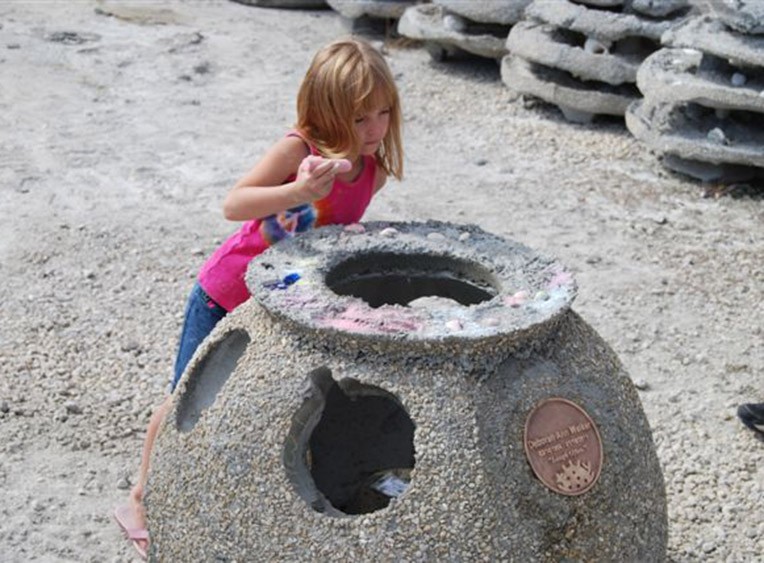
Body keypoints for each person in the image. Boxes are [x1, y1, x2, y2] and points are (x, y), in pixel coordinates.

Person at [114, 36, 404, 559]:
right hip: (226, 292)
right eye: (361, 119)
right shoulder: (300, 151)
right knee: (187, 395)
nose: (376, 129)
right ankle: (139, 496)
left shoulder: (373, 170)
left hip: (285, 308)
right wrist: (297, 192)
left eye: (384, 113)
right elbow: (235, 204)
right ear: (327, 110)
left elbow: (331, 231)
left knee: (274, 403)